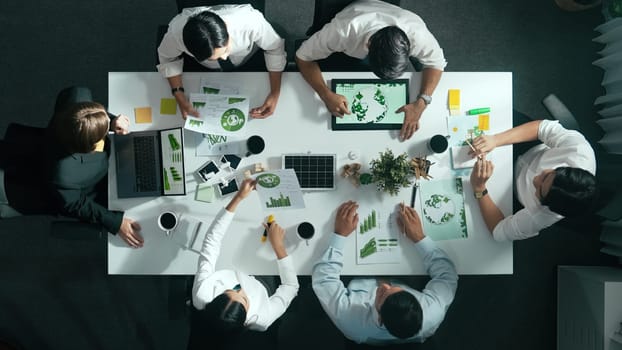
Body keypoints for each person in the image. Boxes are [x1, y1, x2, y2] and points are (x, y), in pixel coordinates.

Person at [0, 86, 144, 248]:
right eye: (101, 135)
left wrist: (109, 122)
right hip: (29, 187)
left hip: (30, 154)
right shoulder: (63, 173)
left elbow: (76, 92)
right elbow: (74, 204)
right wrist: (116, 223)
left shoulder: (76, 99)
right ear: (86, 148)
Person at [295, 0, 447, 141]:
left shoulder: (417, 33)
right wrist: (325, 94)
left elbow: (437, 63)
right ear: (367, 46)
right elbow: (302, 57)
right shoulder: (343, 32)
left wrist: (422, 102)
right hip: (353, 14)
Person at [312, 201, 458, 345]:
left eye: (381, 295)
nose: (385, 286)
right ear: (418, 304)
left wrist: (340, 235)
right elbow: (447, 275)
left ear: (380, 319)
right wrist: (419, 237)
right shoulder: (432, 313)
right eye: (399, 292)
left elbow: (323, 279)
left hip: (358, 272)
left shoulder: (349, 319)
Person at [192, 178, 299, 338]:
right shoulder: (262, 319)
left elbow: (211, 243)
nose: (241, 288)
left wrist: (238, 198)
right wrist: (278, 246)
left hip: (230, 266)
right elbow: (291, 286)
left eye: (230, 291)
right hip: (263, 281)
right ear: (246, 322)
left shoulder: (202, 294)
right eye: (244, 298)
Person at [469, 119, 598, 241]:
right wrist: (495, 140)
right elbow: (542, 128)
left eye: (539, 190)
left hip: (511, 192)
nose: (536, 179)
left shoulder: (541, 217)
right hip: (527, 146)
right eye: (547, 175)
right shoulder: (579, 151)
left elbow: (499, 232)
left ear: (547, 206)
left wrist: (479, 188)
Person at [157, 4, 286, 119]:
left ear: (226, 27)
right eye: (216, 57)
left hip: (249, 58)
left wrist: (275, 93)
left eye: (225, 50)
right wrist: (179, 96)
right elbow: (168, 58)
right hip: (205, 70)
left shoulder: (251, 22)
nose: (224, 57)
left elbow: (274, 47)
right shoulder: (176, 33)